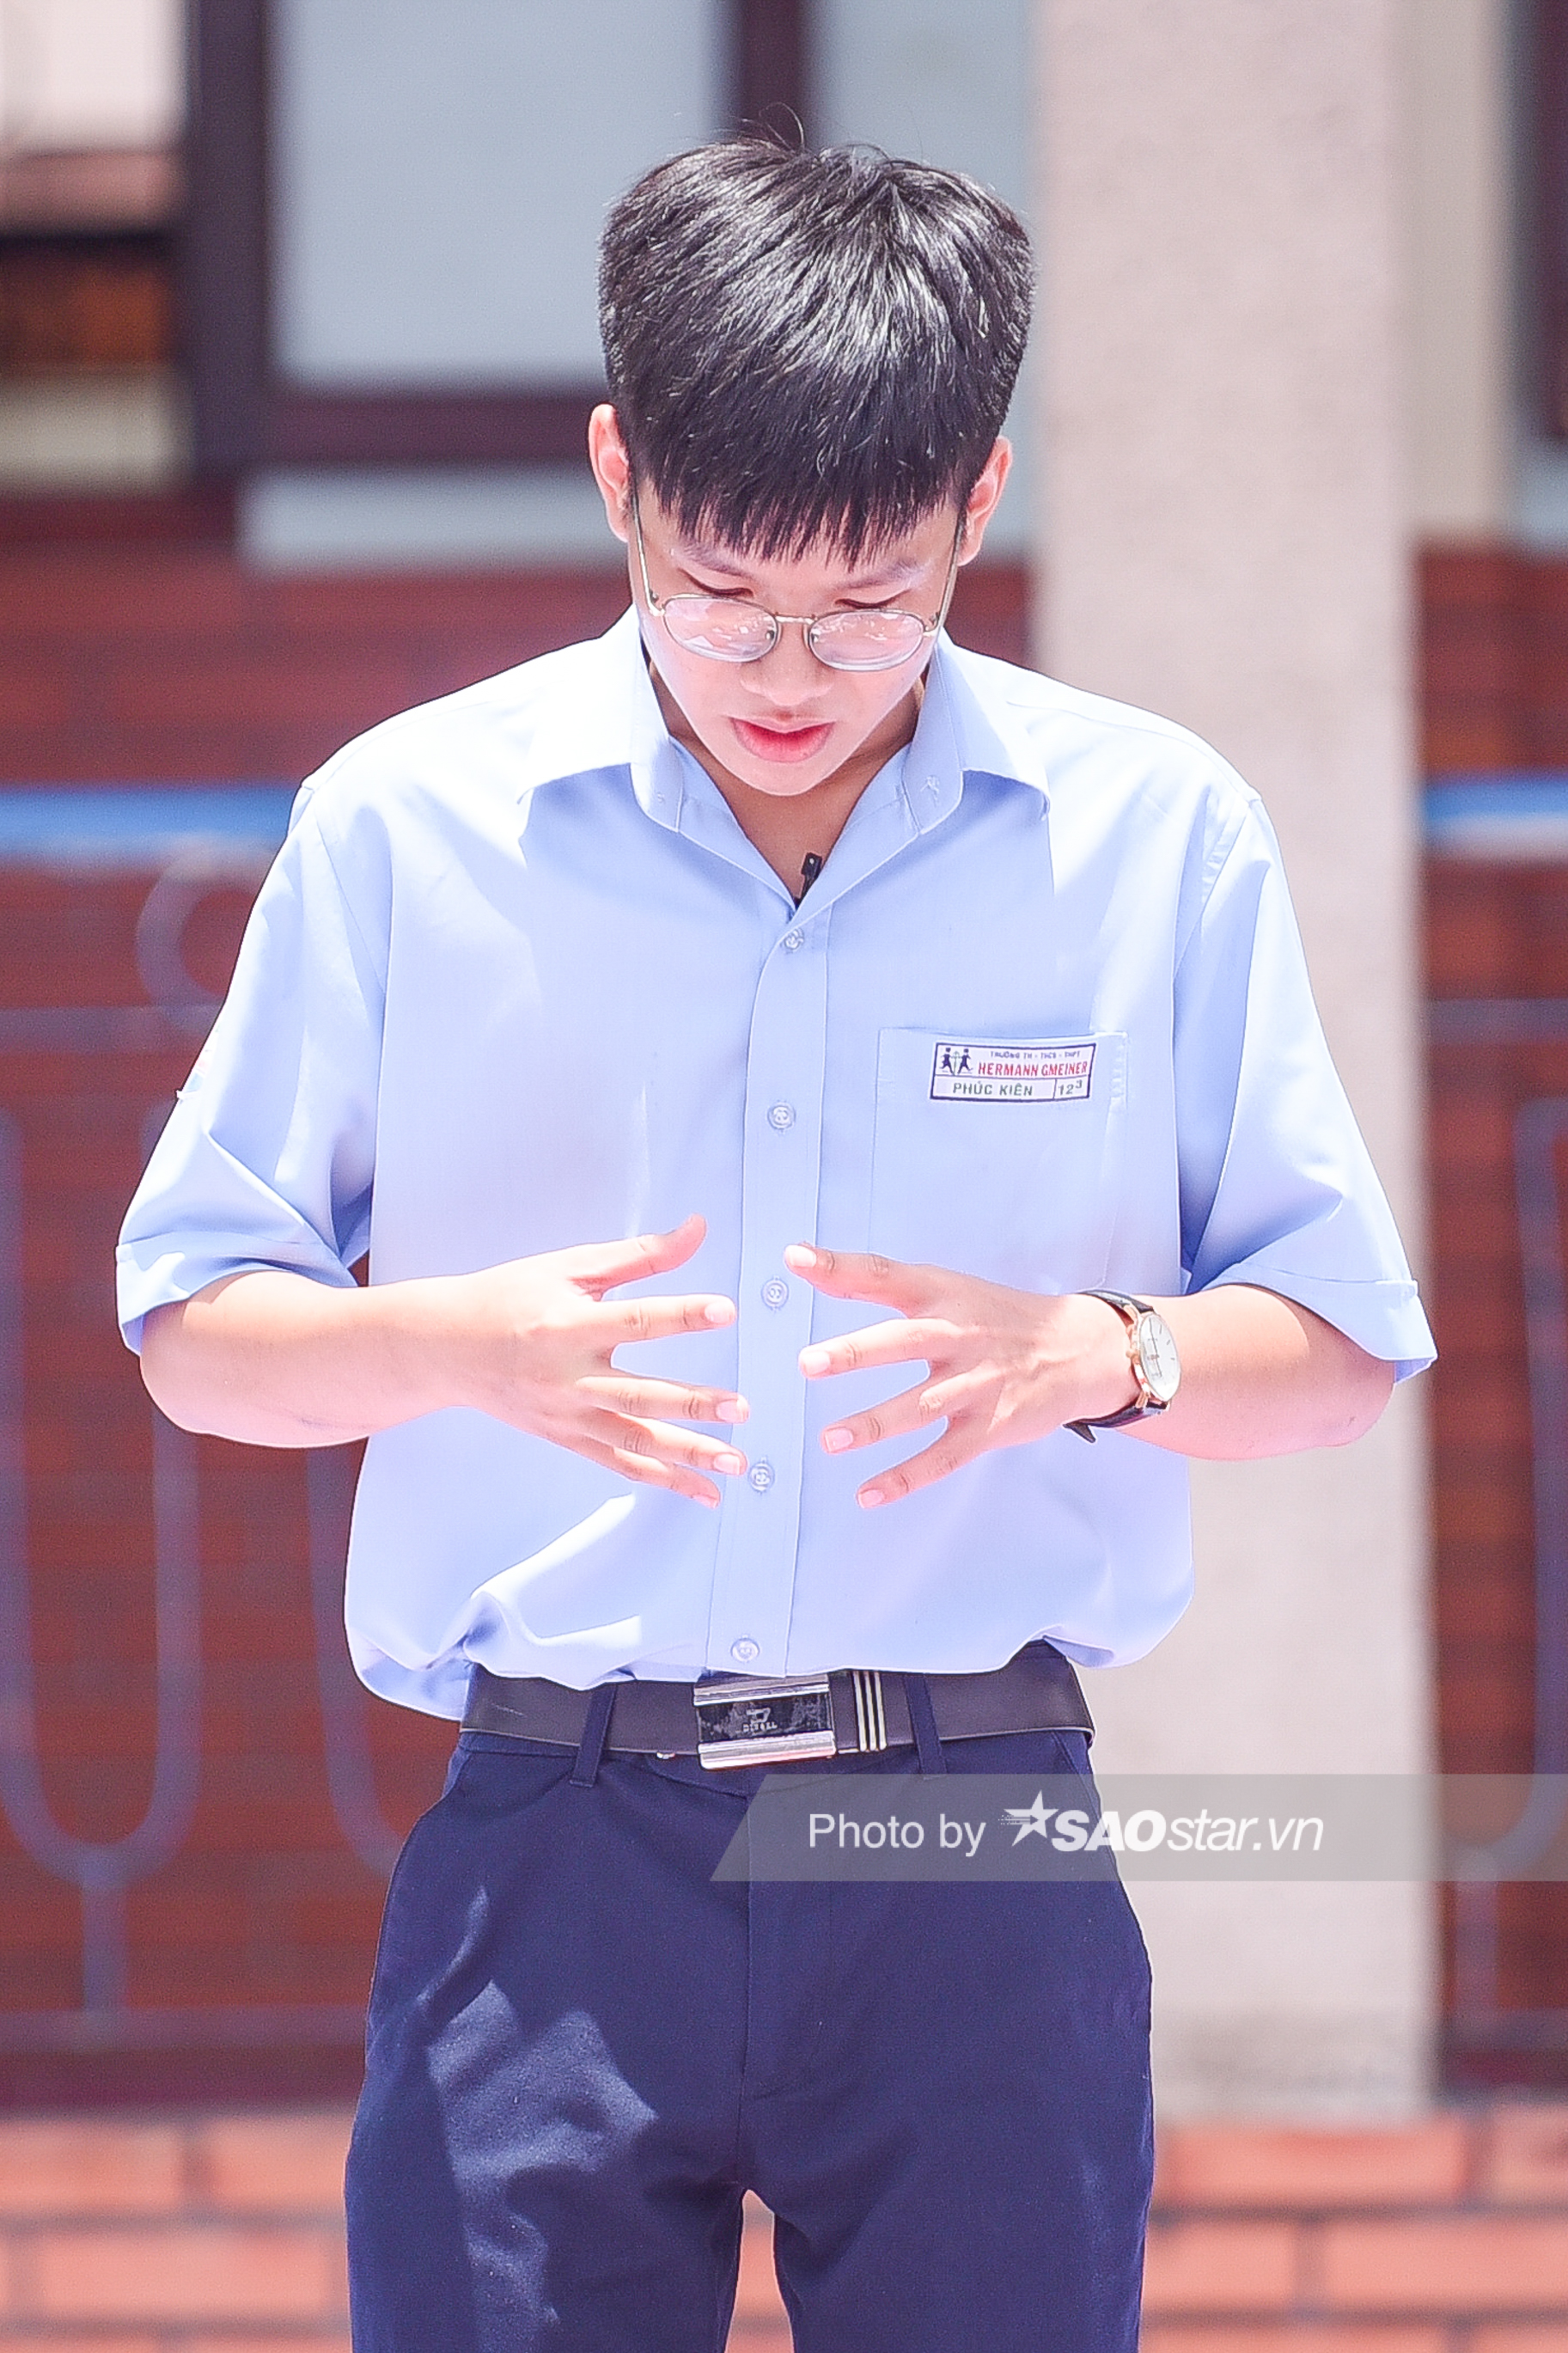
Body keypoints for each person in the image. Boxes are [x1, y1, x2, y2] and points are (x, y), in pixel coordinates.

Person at [117, 141, 1434, 2353]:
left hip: (967, 1844)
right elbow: (191, 1331)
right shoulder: (407, 827)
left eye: (871, 603)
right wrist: (456, 1346)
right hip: (553, 1841)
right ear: (619, 478)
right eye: (723, 597)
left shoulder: (1154, 836)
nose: (793, 670)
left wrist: (1103, 1351)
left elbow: (1339, 1348)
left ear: (978, 501)